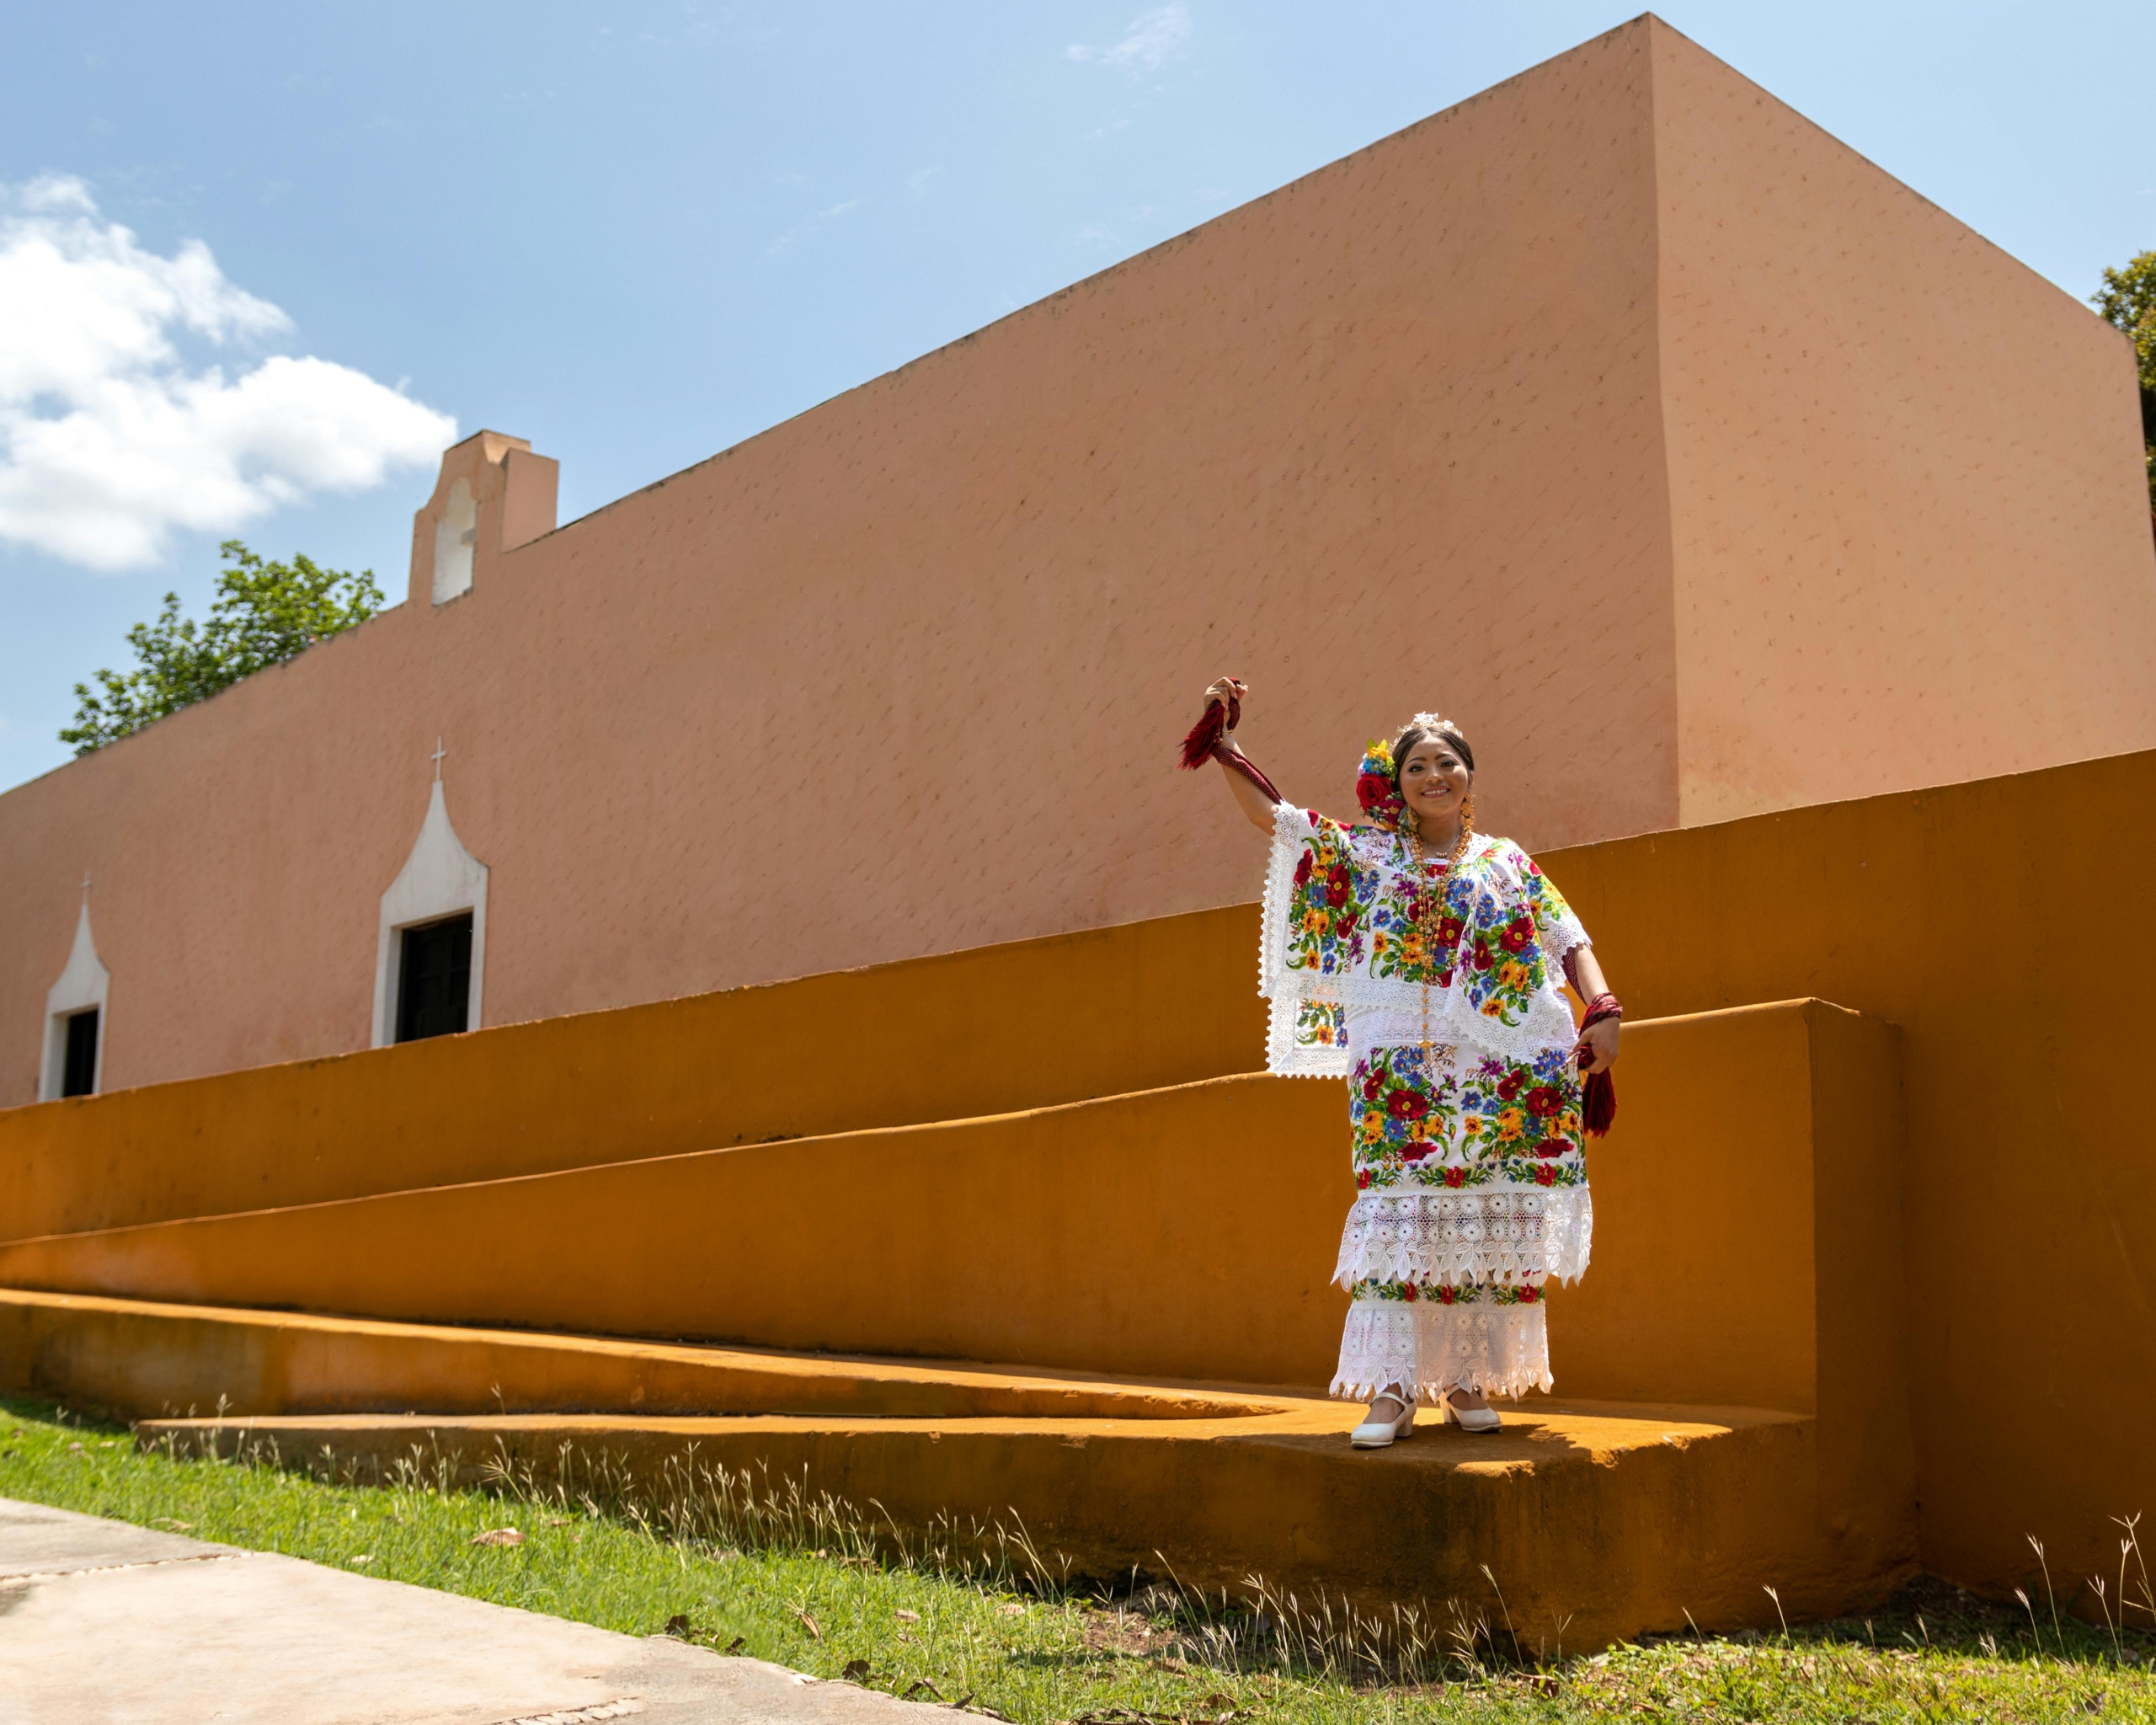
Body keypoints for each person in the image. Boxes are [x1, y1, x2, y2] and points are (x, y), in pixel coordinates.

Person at [1187, 680, 1620, 1445]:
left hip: (1501, 1062)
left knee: (1480, 1208)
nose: (1434, 776)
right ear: (1399, 785)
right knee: (1403, 1211)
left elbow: (1567, 936)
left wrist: (1604, 1009)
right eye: (1417, 766)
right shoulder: (1369, 850)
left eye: (1447, 763)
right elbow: (1275, 820)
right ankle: (1392, 1391)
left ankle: (1462, 1381)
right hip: (1399, 1066)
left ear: (1469, 777)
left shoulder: (1505, 860)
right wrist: (1226, 746)